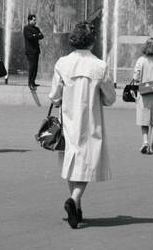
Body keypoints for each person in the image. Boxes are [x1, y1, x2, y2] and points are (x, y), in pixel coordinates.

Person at [49, 19, 116, 228]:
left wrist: (60, 99)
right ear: (92, 41)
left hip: (68, 119)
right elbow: (110, 98)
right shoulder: (100, 66)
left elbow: (54, 95)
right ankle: (74, 200)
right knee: (88, 162)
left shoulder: (62, 63)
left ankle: (76, 208)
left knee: (72, 161)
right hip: (90, 120)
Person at [22, 13, 44, 102]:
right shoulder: (26, 28)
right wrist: (36, 35)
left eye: (35, 20)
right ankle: (30, 83)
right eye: (34, 20)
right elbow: (30, 37)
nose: (35, 21)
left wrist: (36, 35)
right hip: (30, 51)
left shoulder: (36, 28)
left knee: (35, 67)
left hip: (36, 51)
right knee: (32, 66)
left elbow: (42, 36)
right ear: (29, 20)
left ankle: (33, 82)